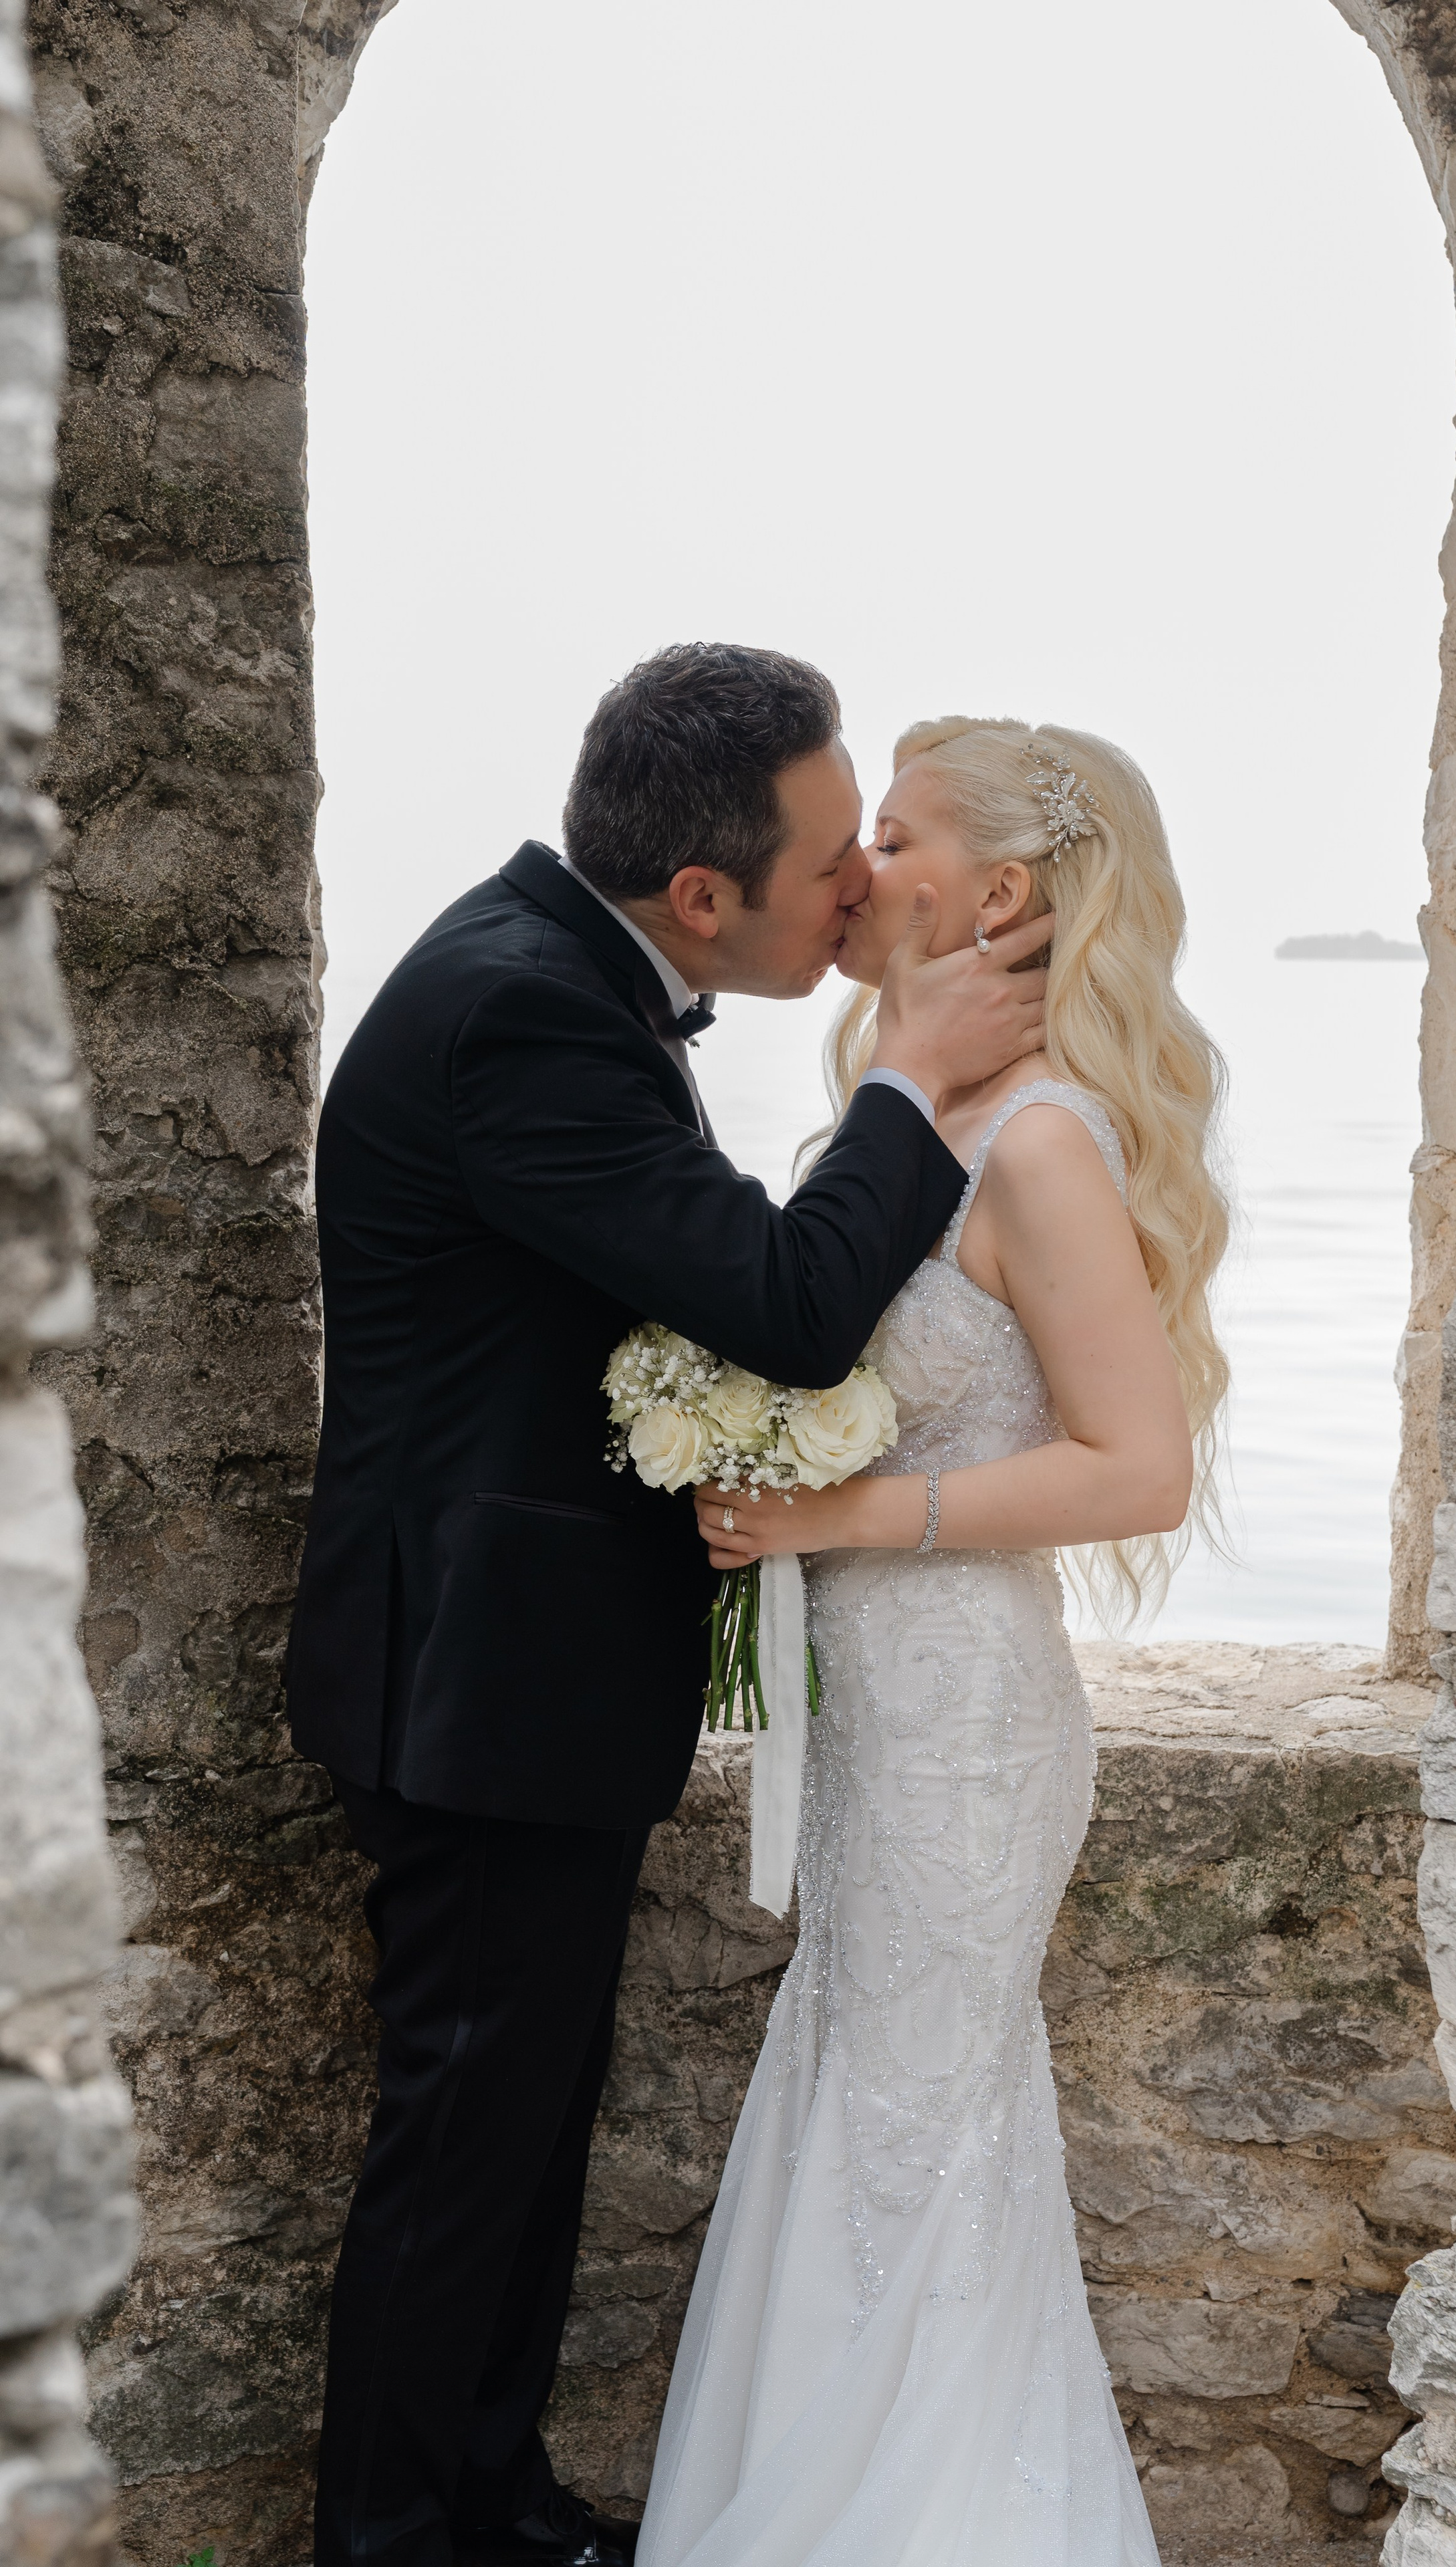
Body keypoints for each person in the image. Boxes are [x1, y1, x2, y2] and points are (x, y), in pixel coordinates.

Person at [286, 650, 1055, 2567]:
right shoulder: (521, 1016)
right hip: (472, 1687)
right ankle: (397, 2540)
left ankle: (497, 2508)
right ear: (702, 896)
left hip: (522, 1682)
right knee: (465, 2152)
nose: (858, 897)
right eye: (829, 864)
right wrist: (911, 1080)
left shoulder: (565, 982)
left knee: (524, 2135)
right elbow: (787, 1302)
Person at [639, 716, 1230, 2567]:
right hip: (879, 1713)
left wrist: (846, 1514)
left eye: (891, 835)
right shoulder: (919, 1122)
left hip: (968, 1724)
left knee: (916, 2131)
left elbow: (1139, 1469)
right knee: (866, 2109)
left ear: (1003, 895)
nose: (855, 864)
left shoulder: (1043, 1143)